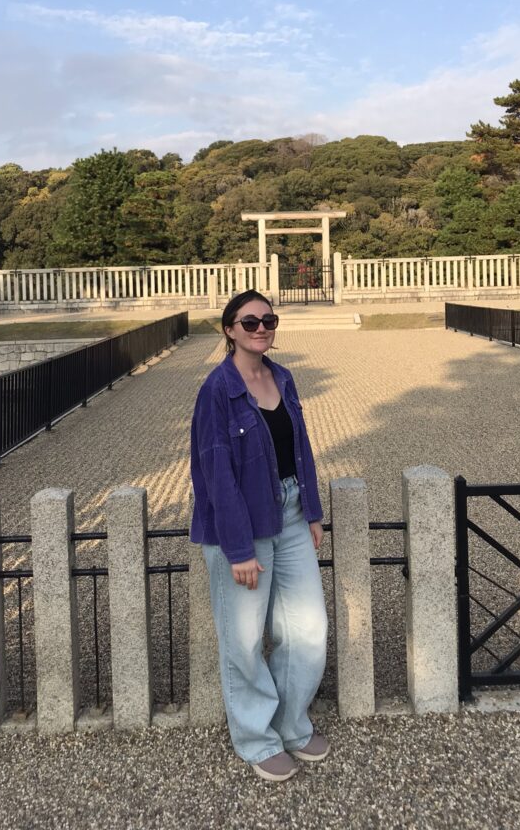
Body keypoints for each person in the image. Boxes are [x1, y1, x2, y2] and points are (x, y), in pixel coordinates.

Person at [190, 289, 329, 782]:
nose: (262, 328)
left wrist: (311, 511)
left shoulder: (283, 377)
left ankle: (291, 724)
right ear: (229, 330)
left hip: (289, 514)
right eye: (250, 322)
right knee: (244, 640)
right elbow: (215, 473)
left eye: (268, 320)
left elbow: (301, 447)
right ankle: (256, 738)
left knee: (308, 629)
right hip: (242, 527)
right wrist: (238, 548)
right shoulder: (217, 389)